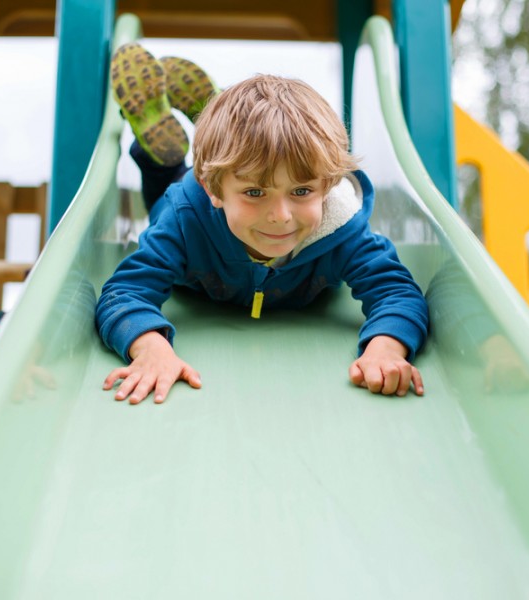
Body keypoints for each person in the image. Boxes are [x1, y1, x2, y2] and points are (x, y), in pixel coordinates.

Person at [96, 43, 429, 405]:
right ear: (214, 189)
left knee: (248, 160)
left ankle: (222, 129)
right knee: (167, 188)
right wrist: (149, 347)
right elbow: (123, 292)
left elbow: (396, 291)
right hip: (189, 199)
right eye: (256, 193)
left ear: (328, 185)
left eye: (301, 190)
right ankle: (164, 154)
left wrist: (386, 347)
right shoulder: (182, 220)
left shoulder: (340, 229)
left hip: (223, 180)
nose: (281, 215)